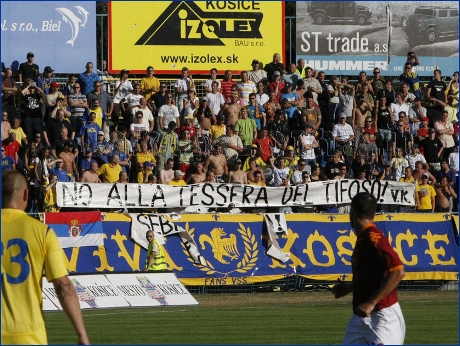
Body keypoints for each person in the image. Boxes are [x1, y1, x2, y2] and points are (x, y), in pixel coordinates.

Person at [1, 170, 90, 344]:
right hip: (28, 335)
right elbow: (63, 287)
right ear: (26, 194)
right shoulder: (42, 232)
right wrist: (82, 335)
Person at [332, 192, 405, 345]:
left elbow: (398, 271)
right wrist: (350, 287)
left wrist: (372, 302)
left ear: (352, 212)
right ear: (374, 213)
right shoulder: (364, 238)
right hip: (361, 316)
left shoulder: (374, 238)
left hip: (383, 316)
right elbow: (372, 275)